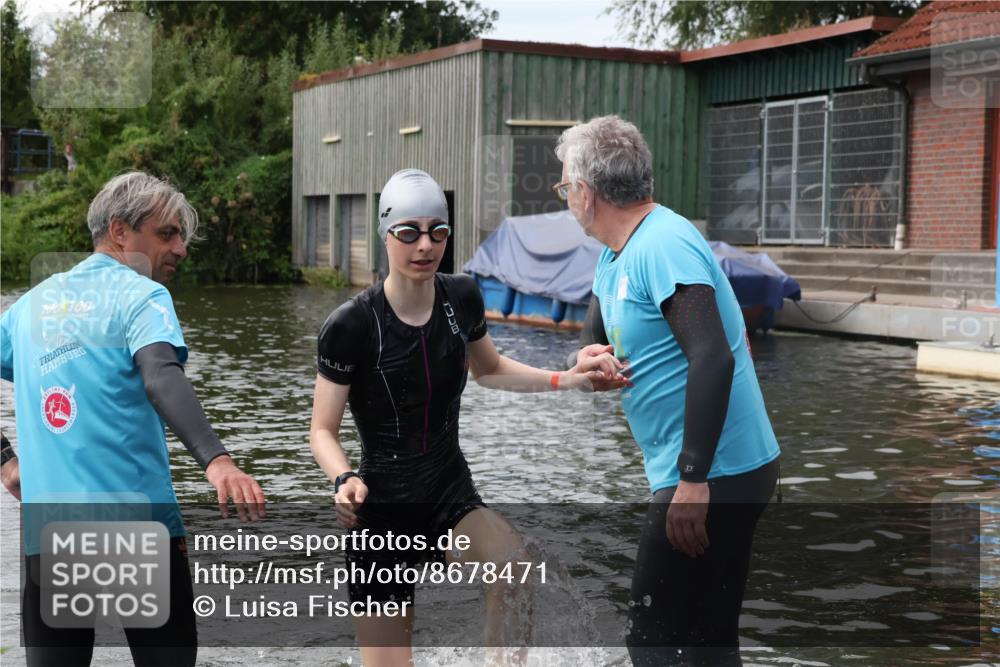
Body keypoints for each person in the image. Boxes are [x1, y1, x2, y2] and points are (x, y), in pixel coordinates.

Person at [310, 168, 627, 667]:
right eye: (408, 232)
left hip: (447, 491)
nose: (424, 246)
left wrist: (569, 378)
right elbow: (322, 430)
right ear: (385, 235)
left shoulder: (462, 296)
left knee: (513, 566)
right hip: (382, 510)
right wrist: (342, 477)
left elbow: (491, 370)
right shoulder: (351, 324)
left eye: (437, 231)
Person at [0, 171, 267, 667]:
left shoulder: (29, 308)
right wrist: (217, 461)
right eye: (167, 234)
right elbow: (161, 375)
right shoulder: (140, 296)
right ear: (120, 232)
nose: (181, 248)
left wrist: (4, 460)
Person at [555, 116, 781, 667]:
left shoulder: (664, 245)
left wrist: (692, 482)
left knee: (655, 638)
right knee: (704, 641)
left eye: (565, 187)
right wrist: (586, 361)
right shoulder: (615, 253)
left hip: (717, 471)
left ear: (585, 192)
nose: (565, 198)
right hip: (712, 468)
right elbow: (594, 338)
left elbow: (713, 358)